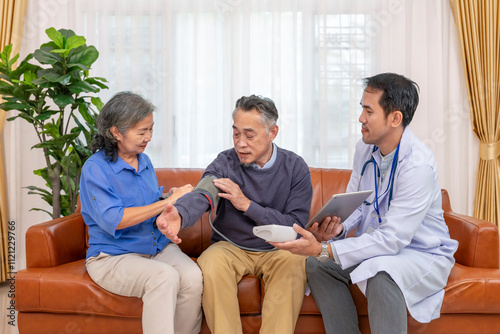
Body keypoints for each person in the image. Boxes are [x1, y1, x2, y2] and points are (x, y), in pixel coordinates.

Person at [270, 73, 459, 334]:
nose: (361, 118)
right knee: (318, 266)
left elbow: (393, 239)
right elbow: (358, 203)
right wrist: (336, 228)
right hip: (382, 248)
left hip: (421, 253)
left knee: (382, 274)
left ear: (395, 118)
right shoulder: (365, 149)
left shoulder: (418, 166)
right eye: (362, 109)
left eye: (369, 111)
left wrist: (324, 249)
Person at [157, 95, 313, 334]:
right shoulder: (226, 162)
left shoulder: (295, 167)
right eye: (236, 134)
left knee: (295, 262)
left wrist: (247, 205)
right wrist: (179, 215)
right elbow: (205, 192)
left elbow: (295, 225)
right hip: (231, 247)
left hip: (278, 248)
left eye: (249, 135)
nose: (240, 143)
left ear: (273, 132)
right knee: (210, 261)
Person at [79, 92, 203, 334]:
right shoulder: (95, 169)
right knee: (164, 277)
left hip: (155, 248)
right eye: (141, 131)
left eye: (151, 129)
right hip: (112, 257)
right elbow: (117, 219)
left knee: (192, 277)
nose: (148, 137)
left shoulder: (143, 160)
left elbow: (148, 203)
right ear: (116, 132)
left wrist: (169, 198)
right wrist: (168, 201)